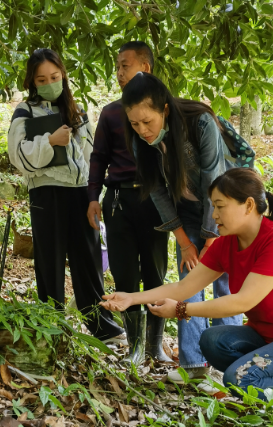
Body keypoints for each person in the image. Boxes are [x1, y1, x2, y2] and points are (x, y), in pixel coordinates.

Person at [100, 168, 273, 399]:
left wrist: (181, 309)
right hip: (264, 338)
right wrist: (131, 298)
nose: (214, 215)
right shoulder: (226, 244)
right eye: (213, 206)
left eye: (220, 206)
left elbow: (242, 302)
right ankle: (269, 378)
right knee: (212, 341)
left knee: (238, 379)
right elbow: (184, 287)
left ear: (249, 205)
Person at [119, 72, 243, 382]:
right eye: (134, 124)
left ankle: (229, 365)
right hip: (186, 211)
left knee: (224, 281)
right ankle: (194, 366)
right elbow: (157, 191)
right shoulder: (140, 141)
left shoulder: (200, 123)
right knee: (190, 279)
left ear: (165, 109)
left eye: (147, 121)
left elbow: (215, 181)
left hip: (226, 207)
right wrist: (186, 242)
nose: (142, 130)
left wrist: (211, 239)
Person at [7, 48, 124, 343]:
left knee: (89, 258)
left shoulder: (77, 109)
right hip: (46, 193)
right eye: (42, 79)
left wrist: (94, 192)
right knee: (50, 260)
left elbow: (91, 154)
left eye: (54, 76)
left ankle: (101, 325)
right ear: (32, 82)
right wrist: (49, 141)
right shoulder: (25, 111)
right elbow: (17, 155)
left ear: (63, 75)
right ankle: (52, 325)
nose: (49, 83)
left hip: (80, 192)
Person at [87, 42, 171, 366]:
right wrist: (93, 198)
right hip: (119, 201)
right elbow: (98, 158)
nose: (119, 73)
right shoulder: (111, 113)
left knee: (155, 272)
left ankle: (155, 346)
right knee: (124, 273)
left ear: (145, 68)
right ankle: (135, 347)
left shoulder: (163, 111)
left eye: (126, 65)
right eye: (117, 67)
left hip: (155, 201)